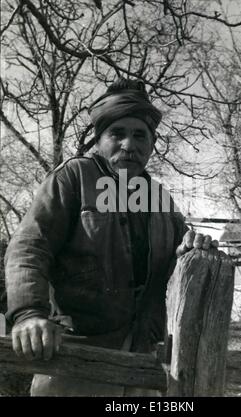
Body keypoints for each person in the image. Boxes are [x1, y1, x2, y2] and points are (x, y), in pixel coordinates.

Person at [5, 78, 219, 396]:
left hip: (143, 358)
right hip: (76, 356)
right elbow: (29, 246)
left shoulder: (158, 197)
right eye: (117, 134)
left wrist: (194, 247)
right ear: (99, 140)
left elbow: (178, 255)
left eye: (139, 135)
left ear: (152, 142)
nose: (129, 145)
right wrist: (28, 314)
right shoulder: (74, 177)